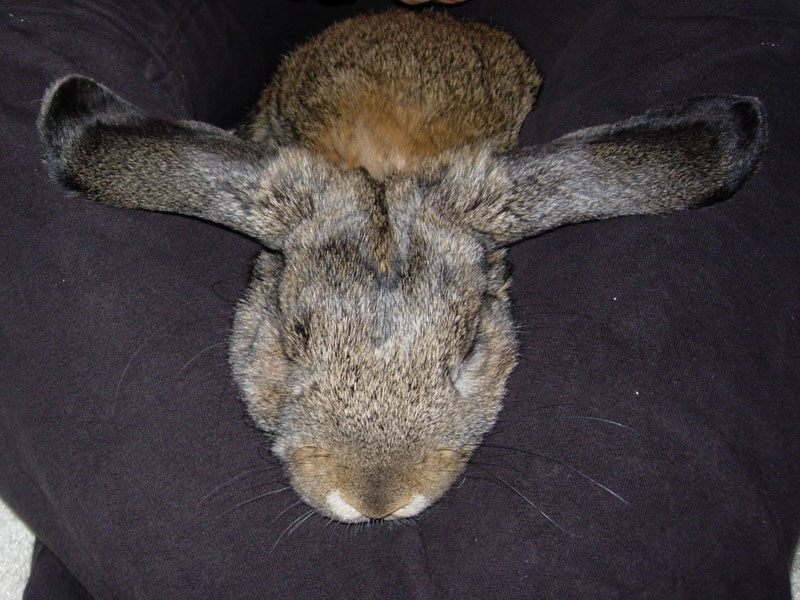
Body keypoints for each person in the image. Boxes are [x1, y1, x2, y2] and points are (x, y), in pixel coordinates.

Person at [1, 1, 798, 598]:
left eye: (458, 365)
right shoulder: (284, 182)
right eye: (299, 363)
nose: (376, 492)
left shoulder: (476, 230)